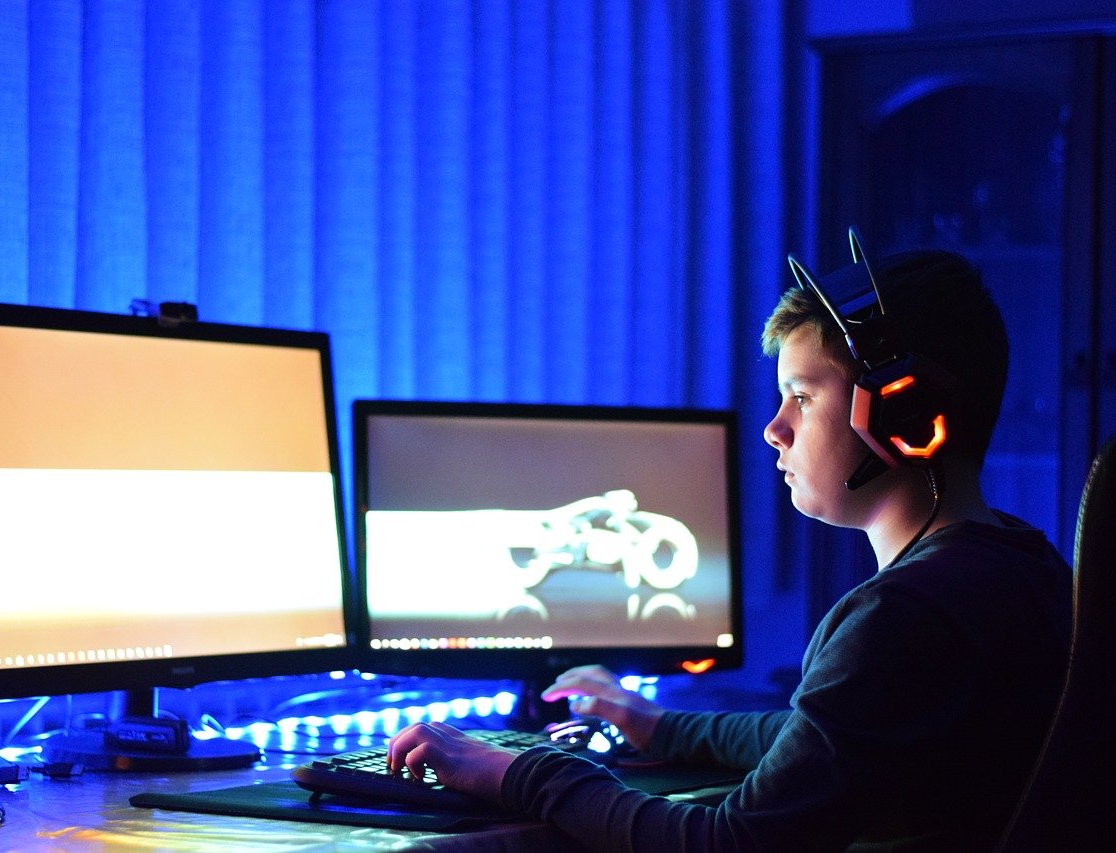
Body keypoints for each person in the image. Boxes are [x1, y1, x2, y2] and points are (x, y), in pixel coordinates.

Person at [386, 243, 1073, 851]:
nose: (775, 428)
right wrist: (657, 724)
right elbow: (820, 743)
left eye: (802, 397)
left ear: (904, 413)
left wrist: (519, 770)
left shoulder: (904, 615)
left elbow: (732, 840)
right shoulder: (1022, 564)